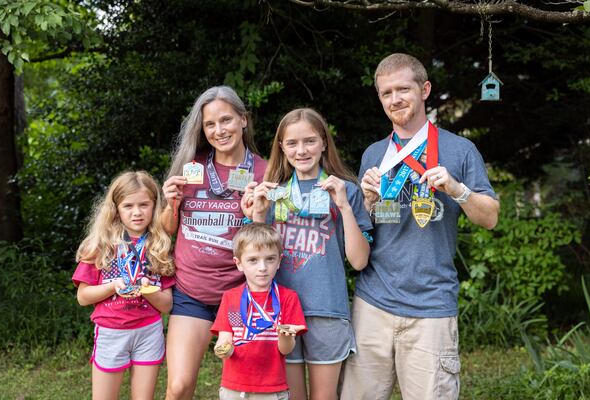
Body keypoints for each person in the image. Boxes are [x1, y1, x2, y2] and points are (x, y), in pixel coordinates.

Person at [340, 53, 500, 400]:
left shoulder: (460, 150)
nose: (395, 99)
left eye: (403, 89)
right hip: (373, 304)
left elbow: (490, 217)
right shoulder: (373, 154)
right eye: (386, 93)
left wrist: (458, 190)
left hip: (431, 307)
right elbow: (366, 235)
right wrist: (366, 203)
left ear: (424, 89)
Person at [251, 108, 372, 400]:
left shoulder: (346, 191)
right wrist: (257, 214)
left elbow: (359, 261)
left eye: (309, 141)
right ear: (281, 147)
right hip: (280, 311)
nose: (301, 150)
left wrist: (343, 206)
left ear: (324, 143)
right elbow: (252, 258)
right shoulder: (272, 193)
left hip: (326, 310)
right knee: (291, 397)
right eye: (292, 143)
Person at [161, 86, 268, 399]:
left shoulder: (264, 170)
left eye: (226, 120)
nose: (219, 130)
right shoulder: (190, 167)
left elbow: (269, 242)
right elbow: (167, 230)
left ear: (243, 120)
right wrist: (170, 206)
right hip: (191, 293)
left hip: (241, 296)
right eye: (210, 124)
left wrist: (256, 217)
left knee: (246, 390)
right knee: (179, 386)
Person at [73, 170, 175, 400]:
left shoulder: (160, 246)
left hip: (149, 331)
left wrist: (148, 290)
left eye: (144, 204)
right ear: (116, 209)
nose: (137, 212)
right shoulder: (101, 244)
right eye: (128, 205)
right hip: (111, 331)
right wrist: (113, 286)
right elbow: (83, 297)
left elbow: (167, 305)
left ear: (154, 205)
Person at [211, 222, 307, 400]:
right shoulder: (230, 297)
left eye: (270, 259)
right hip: (234, 386)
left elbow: (285, 350)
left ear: (279, 261)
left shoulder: (288, 298)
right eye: (253, 260)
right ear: (239, 263)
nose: (262, 267)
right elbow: (225, 339)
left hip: (272, 387)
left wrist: (285, 335)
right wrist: (223, 348)